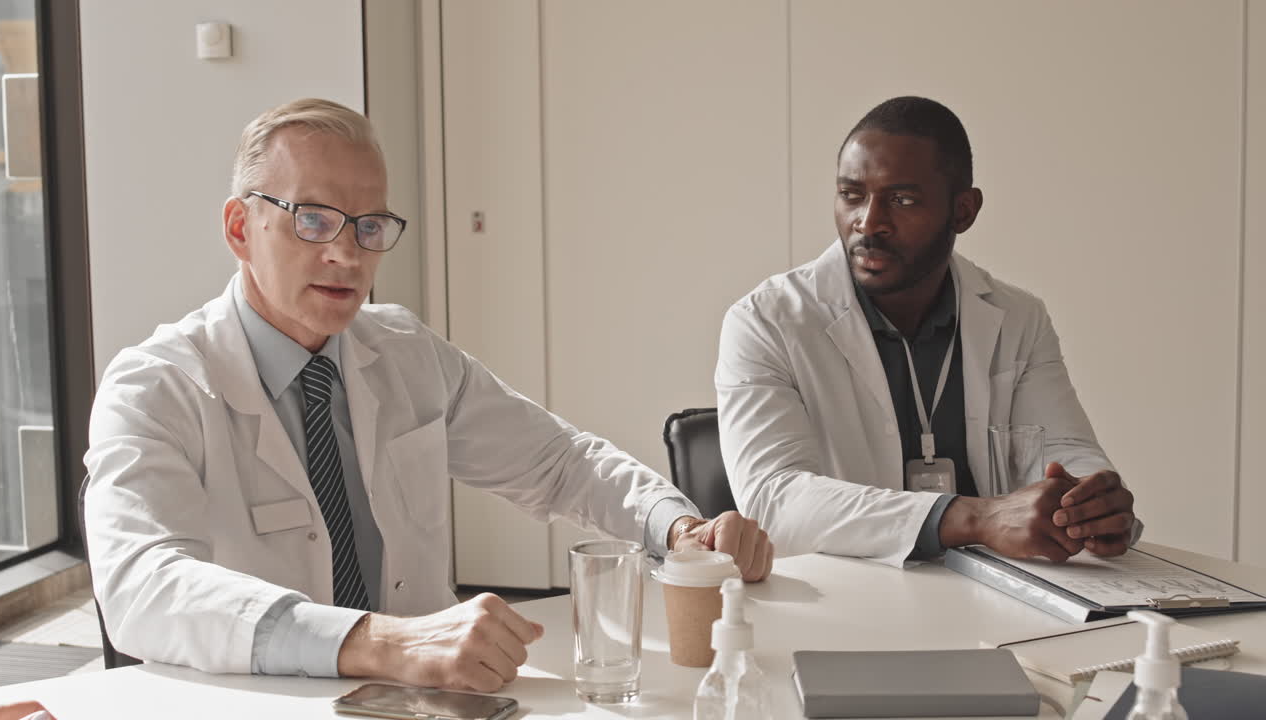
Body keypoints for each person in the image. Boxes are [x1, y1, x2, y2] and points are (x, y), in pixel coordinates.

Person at [84, 98, 772, 692]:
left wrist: (676, 529)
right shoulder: (155, 385)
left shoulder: (404, 352)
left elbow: (561, 462)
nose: (348, 255)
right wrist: (379, 643)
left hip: (427, 701)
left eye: (370, 227)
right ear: (240, 227)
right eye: (315, 220)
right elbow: (142, 585)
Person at [716, 96, 1136, 568]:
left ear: (963, 211)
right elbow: (775, 500)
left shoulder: (1019, 317)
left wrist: (1089, 505)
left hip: (996, 601)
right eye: (852, 194)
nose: (869, 222)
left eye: (902, 200)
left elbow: (1064, 449)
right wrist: (975, 518)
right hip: (845, 599)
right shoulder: (766, 321)